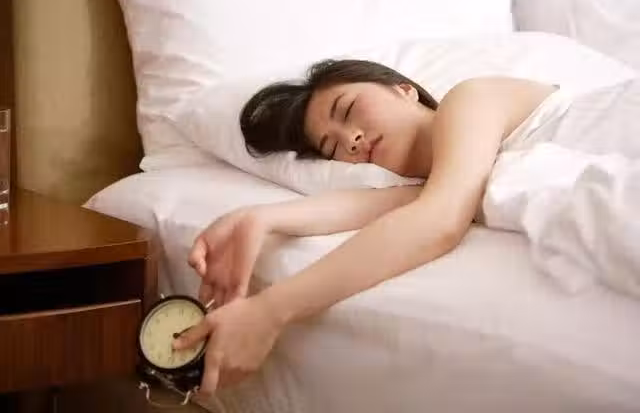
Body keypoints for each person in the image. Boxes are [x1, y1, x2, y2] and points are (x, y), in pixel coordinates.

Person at [172, 59, 558, 394]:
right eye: (333, 148)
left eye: (348, 109)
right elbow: (385, 206)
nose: (350, 139)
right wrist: (259, 218)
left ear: (403, 90)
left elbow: (438, 220)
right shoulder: (445, 181)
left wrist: (269, 311)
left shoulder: (470, 99)